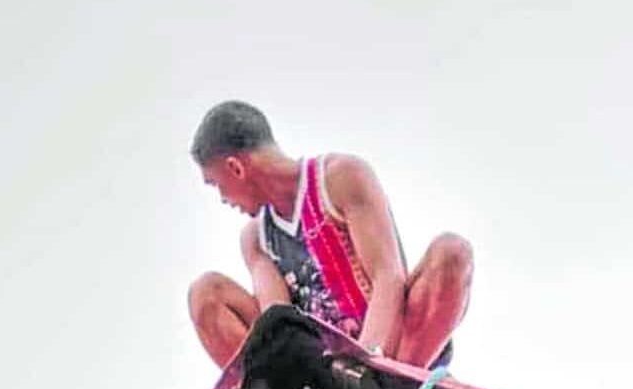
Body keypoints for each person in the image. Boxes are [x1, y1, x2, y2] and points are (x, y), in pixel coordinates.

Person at [185, 101, 472, 372]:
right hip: (322, 370)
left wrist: (365, 362)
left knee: (452, 252)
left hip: (392, 348)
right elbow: (279, 323)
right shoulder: (256, 239)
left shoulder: (340, 178)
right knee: (207, 293)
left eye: (215, 184)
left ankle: (395, 379)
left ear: (236, 168)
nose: (222, 199)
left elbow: (388, 276)